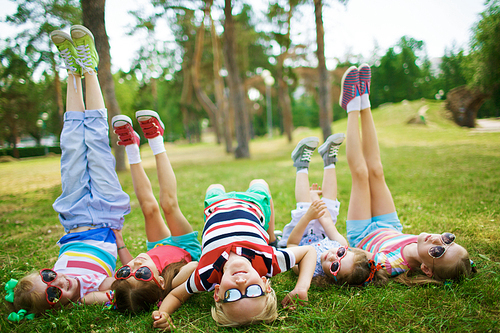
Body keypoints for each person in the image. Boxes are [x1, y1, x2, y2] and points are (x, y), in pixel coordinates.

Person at [6, 25, 132, 320]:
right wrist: (89, 300)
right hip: (105, 215)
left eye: (48, 276)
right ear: (58, 306)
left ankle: (72, 72)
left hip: (74, 218)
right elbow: (121, 294)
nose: (58, 282)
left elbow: (56, 274)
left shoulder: (59, 276)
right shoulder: (90, 291)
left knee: (73, 146)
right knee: (98, 143)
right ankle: (89, 69)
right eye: (53, 294)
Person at [335, 64, 476, 286]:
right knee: (377, 171)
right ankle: (364, 102)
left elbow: (362, 268)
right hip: (389, 225)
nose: (437, 239)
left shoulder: (392, 264)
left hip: (362, 233)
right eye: (448, 239)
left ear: (426, 270)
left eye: (438, 250)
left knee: (361, 175)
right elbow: (460, 264)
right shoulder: (423, 245)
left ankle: (352, 106)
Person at [150, 179, 317, 329]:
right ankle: (271, 237)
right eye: (253, 291)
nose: (241, 282)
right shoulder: (269, 261)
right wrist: (301, 287)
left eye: (232, 294)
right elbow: (308, 252)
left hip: (216, 206)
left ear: (217, 293)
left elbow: (177, 295)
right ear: (265, 283)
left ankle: (219, 191)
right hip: (253, 204)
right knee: (260, 183)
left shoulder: (205, 276)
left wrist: (163, 313)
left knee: (214, 186)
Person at [108, 110, 201, 313]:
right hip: (185, 247)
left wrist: (121, 244)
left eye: (125, 271)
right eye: (140, 273)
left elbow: (127, 268)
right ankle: (156, 137)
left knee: (149, 209)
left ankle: (131, 145)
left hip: (156, 246)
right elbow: (194, 268)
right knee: (168, 205)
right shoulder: (172, 282)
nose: (134, 264)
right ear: (159, 281)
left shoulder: (141, 264)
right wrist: (169, 290)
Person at [278, 134, 354, 286]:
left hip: (298, 234)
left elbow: (292, 245)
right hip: (322, 230)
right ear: (347, 250)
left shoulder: (309, 270)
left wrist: (308, 216)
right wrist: (316, 201)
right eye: (341, 254)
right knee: (329, 207)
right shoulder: (340, 244)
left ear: (332, 279)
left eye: (335, 266)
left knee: (304, 207)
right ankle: (329, 159)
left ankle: (301, 163)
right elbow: (326, 221)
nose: (334, 257)